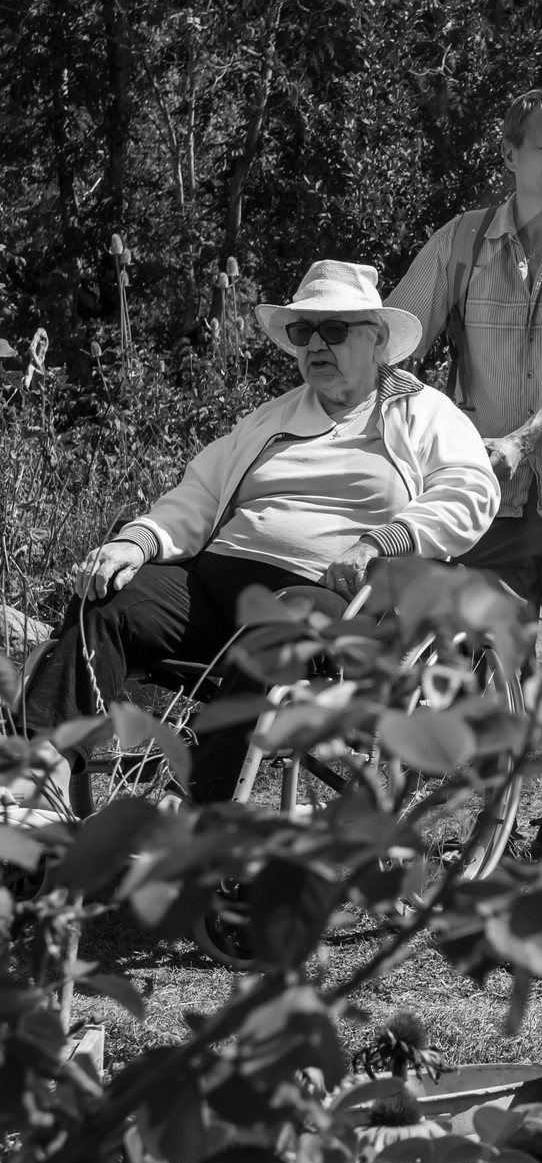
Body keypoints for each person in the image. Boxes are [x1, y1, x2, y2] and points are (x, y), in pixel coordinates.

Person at [20, 261, 499, 810]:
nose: (315, 344)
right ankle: (40, 777)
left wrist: (381, 541)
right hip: (214, 594)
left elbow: (469, 492)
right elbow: (199, 493)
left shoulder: (422, 412)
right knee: (109, 596)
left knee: (283, 620)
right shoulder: (270, 419)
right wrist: (136, 542)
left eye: (334, 330)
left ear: (378, 339)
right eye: (303, 331)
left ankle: (189, 804)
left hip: (337, 603)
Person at [387, 87, 542, 858]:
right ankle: (478, 807)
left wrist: (523, 443)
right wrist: (414, 432)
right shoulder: (461, 243)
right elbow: (395, 343)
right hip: (482, 494)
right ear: (509, 154)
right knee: (474, 652)